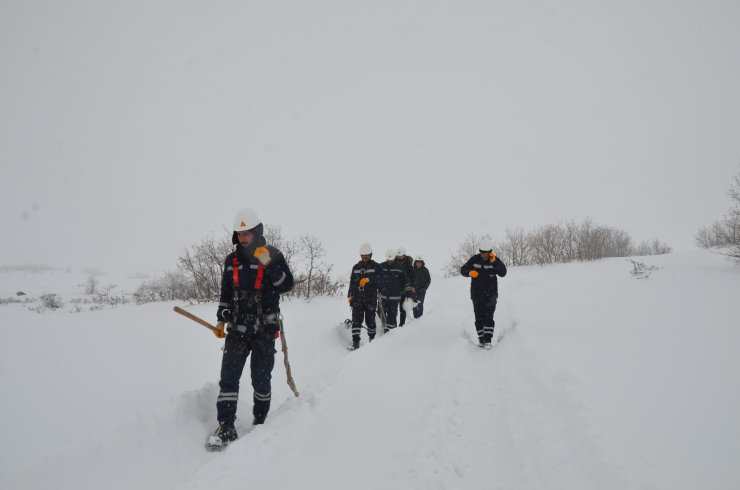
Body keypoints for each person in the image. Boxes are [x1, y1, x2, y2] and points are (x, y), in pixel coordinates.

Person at [207, 208, 294, 451]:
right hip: (237, 329)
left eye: (247, 233)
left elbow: (286, 285)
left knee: (261, 379)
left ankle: (260, 420)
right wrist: (221, 319)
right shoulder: (230, 260)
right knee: (228, 379)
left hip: (265, 330)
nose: (243, 238)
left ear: (257, 232)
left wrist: (269, 264)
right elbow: (226, 292)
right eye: (239, 234)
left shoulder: (273, 254)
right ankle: (226, 426)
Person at [460, 239, 507, 350]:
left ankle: (488, 341)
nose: (483, 254)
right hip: (477, 295)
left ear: (490, 251)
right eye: (482, 252)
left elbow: (503, 273)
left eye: (486, 252)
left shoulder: (494, 261)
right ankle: (481, 340)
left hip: (491, 295)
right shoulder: (474, 259)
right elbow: (463, 270)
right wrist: (469, 273)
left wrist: (495, 262)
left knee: (489, 318)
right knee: (479, 318)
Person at [347, 243, 382, 350]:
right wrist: (350, 295)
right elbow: (352, 282)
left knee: (370, 320)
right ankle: (355, 342)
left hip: (370, 298)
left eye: (366, 256)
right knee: (356, 320)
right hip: (357, 298)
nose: (364, 258)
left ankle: (372, 341)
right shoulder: (356, 267)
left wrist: (368, 280)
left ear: (371, 255)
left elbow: (381, 281)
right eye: (363, 256)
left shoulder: (376, 266)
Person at [378, 248, 410, 331]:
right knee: (381, 313)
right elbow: (376, 279)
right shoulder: (381, 266)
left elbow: (405, 281)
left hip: (394, 297)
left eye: (391, 259)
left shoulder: (399, 268)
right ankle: (384, 328)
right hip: (383, 297)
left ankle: (391, 332)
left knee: (392, 315)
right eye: (388, 259)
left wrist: (407, 293)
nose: (389, 261)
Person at [395, 246, 416, 326]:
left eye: (401, 256)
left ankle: (402, 324)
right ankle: (393, 324)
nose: (399, 257)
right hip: (395, 288)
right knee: (393, 308)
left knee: (402, 308)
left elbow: (413, 276)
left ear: (404, 255)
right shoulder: (394, 263)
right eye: (398, 256)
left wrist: (412, 286)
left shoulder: (408, 265)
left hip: (405, 288)